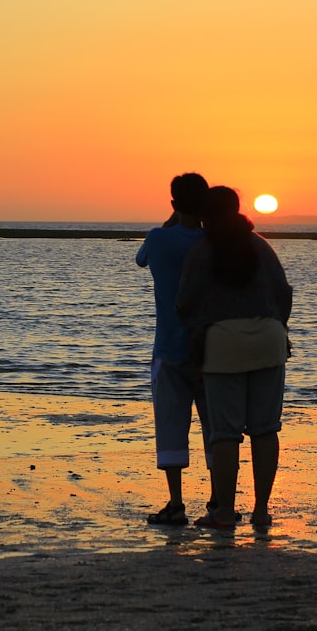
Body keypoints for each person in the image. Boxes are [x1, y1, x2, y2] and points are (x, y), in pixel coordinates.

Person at [176, 186, 293, 528]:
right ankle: (261, 511)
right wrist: (275, 325)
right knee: (265, 429)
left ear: (205, 216)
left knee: (225, 434)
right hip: (269, 340)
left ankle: (225, 512)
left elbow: (185, 301)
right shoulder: (261, 246)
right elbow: (284, 294)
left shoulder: (201, 250)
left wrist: (199, 326)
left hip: (222, 344)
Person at [136, 172, 215, 525]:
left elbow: (141, 259)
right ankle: (218, 501)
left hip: (169, 348)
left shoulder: (158, 238)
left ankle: (176, 503)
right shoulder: (214, 241)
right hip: (212, 349)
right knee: (216, 427)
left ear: (172, 203)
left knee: (170, 425)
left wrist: (173, 220)